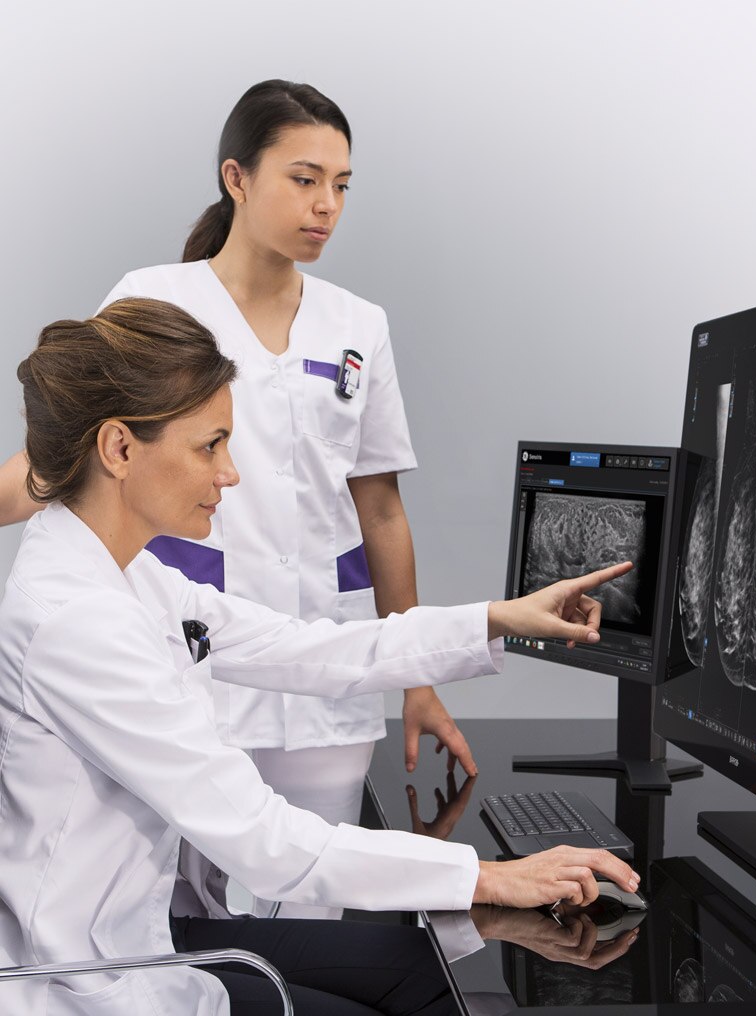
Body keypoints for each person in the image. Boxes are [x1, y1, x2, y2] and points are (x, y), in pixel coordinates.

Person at [0, 298, 640, 1016]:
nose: (230, 473)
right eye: (210, 446)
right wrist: (488, 877)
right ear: (119, 449)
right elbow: (262, 841)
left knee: (418, 968)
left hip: (142, 932)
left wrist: (499, 619)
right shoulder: (77, 621)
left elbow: (304, 646)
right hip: (88, 976)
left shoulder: (127, 572)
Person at [0, 80, 477, 919]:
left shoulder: (357, 325)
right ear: (237, 178)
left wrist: (419, 677)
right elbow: (77, 452)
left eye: (341, 185)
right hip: (191, 657)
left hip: (325, 669)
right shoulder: (157, 300)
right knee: (164, 903)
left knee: (316, 908)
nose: (326, 206)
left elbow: (381, 511)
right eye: (304, 179)